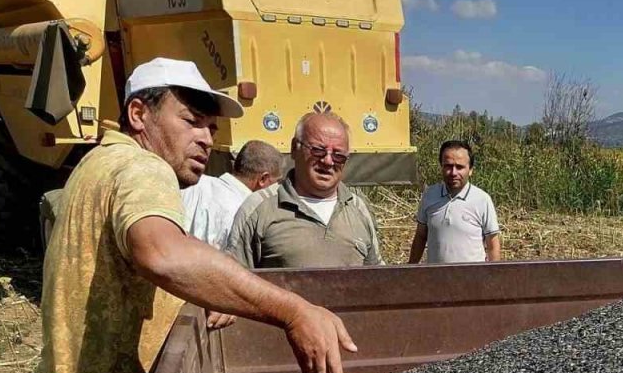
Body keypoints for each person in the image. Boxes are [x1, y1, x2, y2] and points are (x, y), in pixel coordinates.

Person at [10, 57, 358, 373]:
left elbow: (142, 268)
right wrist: (292, 310)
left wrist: (199, 297)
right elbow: (161, 253)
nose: (205, 137)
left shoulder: (101, 163)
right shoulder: (140, 168)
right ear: (138, 114)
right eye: (190, 119)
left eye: (211, 127)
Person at [227, 111, 383, 269]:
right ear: (295, 148)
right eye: (318, 150)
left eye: (338, 155)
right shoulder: (259, 208)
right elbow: (232, 280)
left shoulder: (358, 209)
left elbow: (378, 278)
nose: (328, 161)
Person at [408, 140, 501, 264]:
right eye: (448, 166)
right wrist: (410, 270)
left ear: (471, 169)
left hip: (472, 279)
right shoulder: (429, 196)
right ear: (441, 166)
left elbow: (492, 243)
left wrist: (494, 276)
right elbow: (420, 236)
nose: (453, 173)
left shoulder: (482, 200)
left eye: (460, 167)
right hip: (435, 278)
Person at [180, 140, 284, 249]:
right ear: (262, 179)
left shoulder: (193, 184)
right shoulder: (246, 214)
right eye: (277, 182)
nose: (277, 188)